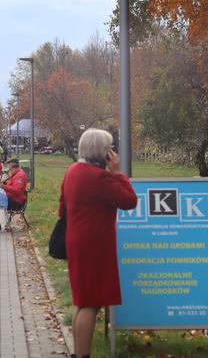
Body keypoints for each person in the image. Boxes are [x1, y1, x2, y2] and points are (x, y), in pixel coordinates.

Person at [60, 128, 137, 358]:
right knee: (91, 304)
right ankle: (83, 355)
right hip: (94, 245)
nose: (111, 152)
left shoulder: (73, 170)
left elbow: (61, 206)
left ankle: (78, 353)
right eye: (109, 148)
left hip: (76, 241)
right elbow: (129, 200)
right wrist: (117, 172)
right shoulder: (99, 177)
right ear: (102, 152)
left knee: (82, 301)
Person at [0, 158, 28, 232]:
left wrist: (3, 186)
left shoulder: (19, 175)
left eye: (9, 164)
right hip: (12, 198)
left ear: (12, 165)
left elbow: (18, 191)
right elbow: (12, 186)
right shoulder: (16, 173)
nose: (8, 166)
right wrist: (1, 184)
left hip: (15, 202)